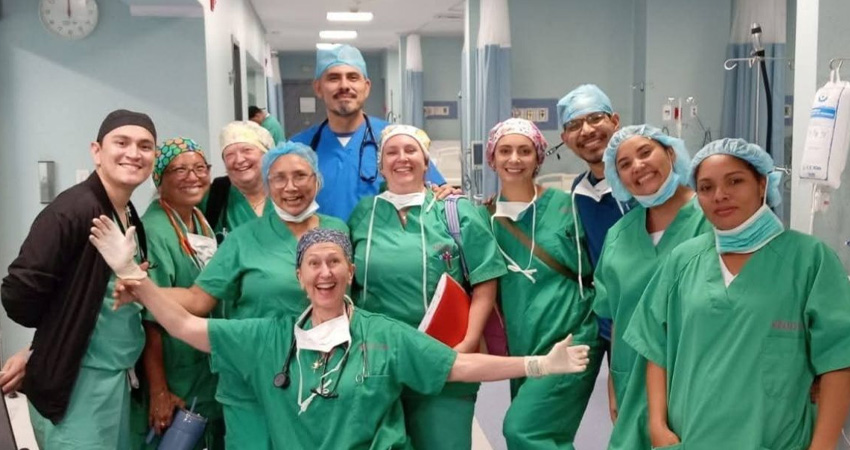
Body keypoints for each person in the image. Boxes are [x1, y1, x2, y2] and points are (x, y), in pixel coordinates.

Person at [89, 224, 592, 450]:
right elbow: (184, 326)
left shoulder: (382, 335)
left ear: (350, 272)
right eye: (314, 264)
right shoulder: (269, 337)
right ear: (300, 275)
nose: (324, 273)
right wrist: (133, 272)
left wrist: (537, 365)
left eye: (334, 262)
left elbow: (457, 366)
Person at [113, 141, 345, 449]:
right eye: (278, 178)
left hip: (321, 373)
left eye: (300, 175)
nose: (290, 187)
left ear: (316, 179)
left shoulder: (338, 231)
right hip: (252, 376)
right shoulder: (243, 239)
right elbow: (198, 299)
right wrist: (144, 290)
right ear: (267, 184)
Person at [624, 138, 850, 450]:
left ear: (762, 184)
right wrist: (658, 427)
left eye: (735, 181)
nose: (720, 195)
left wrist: (822, 447)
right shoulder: (683, 260)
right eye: (705, 187)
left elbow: (839, 361)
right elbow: (656, 349)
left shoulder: (809, 260)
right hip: (692, 439)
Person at [1, 109, 156, 449]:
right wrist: (46, 345)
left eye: (145, 146)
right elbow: (18, 294)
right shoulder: (73, 211)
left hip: (116, 378)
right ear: (96, 151)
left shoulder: (127, 214)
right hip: (78, 384)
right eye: (122, 142)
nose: (134, 153)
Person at [348, 125, 507, 450]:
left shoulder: (455, 211)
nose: (401, 158)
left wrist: (467, 343)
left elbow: (484, 283)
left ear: (425, 161)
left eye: (410, 151)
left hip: (444, 353)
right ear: (380, 165)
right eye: (391, 152)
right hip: (378, 362)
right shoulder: (365, 214)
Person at [483, 118, 601, 449]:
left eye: (524, 151)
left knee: (524, 430)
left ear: (539, 157)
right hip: (523, 342)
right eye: (505, 151)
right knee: (549, 434)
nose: (514, 159)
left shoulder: (569, 207)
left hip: (572, 337)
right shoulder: (482, 217)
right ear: (492, 158)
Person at [592, 125, 712, 449]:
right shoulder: (619, 236)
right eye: (625, 164)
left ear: (670, 153)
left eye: (645, 152)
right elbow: (618, 315)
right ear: (619, 179)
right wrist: (615, 382)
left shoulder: (714, 220)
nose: (638, 166)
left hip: (699, 380)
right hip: (632, 379)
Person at [132, 137, 223, 449]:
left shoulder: (199, 220)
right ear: (160, 178)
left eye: (200, 168)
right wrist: (159, 389)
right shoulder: (155, 229)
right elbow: (149, 315)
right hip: (175, 372)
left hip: (201, 364)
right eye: (180, 170)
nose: (193, 176)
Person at [290, 44, 450, 221]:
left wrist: (444, 193)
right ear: (318, 88)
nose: (344, 85)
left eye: (352, 77)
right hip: (321, 247)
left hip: (382, 246)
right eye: (334, 78)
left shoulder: (396, 141)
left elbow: (436, 193)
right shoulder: (298, 149)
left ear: (366, 87)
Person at [557, 85, 630, 407]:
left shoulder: (647, 182)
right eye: (574, 125)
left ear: (615, 120)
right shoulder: (580, 191)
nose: (586, 131)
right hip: (615, 323)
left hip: (665, 323)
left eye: (595, 118)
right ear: (565, 137)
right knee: (626, 416)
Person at [203, 121, 276, 241]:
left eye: (247, 150)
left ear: (266, 154)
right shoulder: (214, 197)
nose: (239, 160)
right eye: (229, 155)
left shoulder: (287, 194)